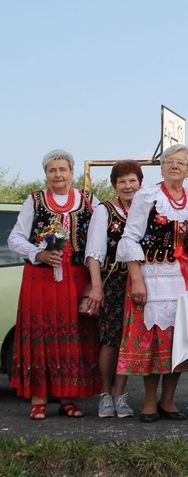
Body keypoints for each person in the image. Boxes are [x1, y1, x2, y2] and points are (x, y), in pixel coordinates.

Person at [115, 144, 188, 423]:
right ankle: (149, 403)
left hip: (184, 281)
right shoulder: (148, 196)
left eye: (180, 163)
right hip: (152, 278)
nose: (174, 166)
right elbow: (129, 238)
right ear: (161, 166)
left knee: (178, 342)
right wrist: (136, 280)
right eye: (169, 161)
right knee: (153, 344)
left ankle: (168, 401)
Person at [7, 149, 101, 419]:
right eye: (52, 170)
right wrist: (39, 253)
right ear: (46, 174)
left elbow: (97, 240)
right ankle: (38, 398)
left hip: (76, 277)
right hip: (41, 279)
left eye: (62, 169)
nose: (57, 174)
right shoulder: (34, 201)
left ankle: (67, 398)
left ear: (72, 173)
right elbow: (15, 238)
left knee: (73, 334)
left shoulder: (88, 200)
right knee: (41, 334)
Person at [84, 160, 143, 418]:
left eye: (132, 181)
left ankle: (121, 394)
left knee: (129, 340)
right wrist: (97, 287)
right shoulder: (104, 211)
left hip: (140, 282)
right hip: (114, 282)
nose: (128, 186)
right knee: (110, 340)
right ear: (114, 185)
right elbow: (94, 253)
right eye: (122, 182)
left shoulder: (146, 210)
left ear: (140, 183)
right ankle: (105, 394)